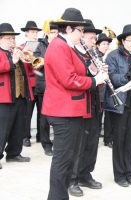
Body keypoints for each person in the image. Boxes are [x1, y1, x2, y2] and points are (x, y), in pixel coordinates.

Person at [42, 8, 107, 200]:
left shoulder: (67, 46)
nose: (83, 34)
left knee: (67, 160)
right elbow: (69, 79)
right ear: (69, 29)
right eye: (81, 30)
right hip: (63, 111)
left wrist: (94, 72)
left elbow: (77, 72)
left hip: (71, 110)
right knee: (63, 162)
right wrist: (95, 81)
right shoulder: (59, 46)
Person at [104, 24, 131, 187]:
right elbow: (113, 79)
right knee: (119, 140)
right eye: (130, 40)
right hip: (119, 103)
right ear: (122, 41)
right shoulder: (113, 56)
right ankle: (119, 175)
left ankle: (129, 173)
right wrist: (129, 75)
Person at [68, 19, 103, 197]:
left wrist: (100, 71)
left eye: (94, 38)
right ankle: (72, 179)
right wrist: (94, 75)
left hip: (95, 103)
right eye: (90, 37)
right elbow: (75, 78)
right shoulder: (73, 52)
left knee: (92, 143)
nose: (93, 41)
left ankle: (85, 174)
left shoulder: (92, 54)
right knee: (78, 145)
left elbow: (95, 77)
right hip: (80, 105)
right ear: (82, 36)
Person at [0, 23, 33, 170]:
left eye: (13, 38)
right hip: (4, 97)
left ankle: (14, 153)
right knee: (2, 129)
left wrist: (29, 59)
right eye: (9, 38)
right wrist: (11, 62)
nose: (12, 41)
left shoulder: (16, 51)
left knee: (19, 127)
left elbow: (29, 69)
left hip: (20, 95)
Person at [33, 20, 58, 156]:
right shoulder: (40, 46)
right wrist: (46, 58)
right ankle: (46, 144)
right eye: (52, 32)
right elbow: (35, 64)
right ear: (47, 33)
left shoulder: (61, 45)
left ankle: (56, 142)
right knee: (44, 118)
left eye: (56, 32)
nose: (54, 35)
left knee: (58, 117)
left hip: (58, 87)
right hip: (44, 86)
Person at [20, 21, 42, 147]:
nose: (35, 34)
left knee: (42, 112)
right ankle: (26, 137)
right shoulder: (21, 47)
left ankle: (40, 135)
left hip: (40, 83)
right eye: (32, 32)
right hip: (29, 84)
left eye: (36, 32)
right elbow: (24, 66)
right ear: (26, 33)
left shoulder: (41, 46)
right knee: (27, 112)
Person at [96, 33, 113, 148]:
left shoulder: (110, 56)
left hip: (109, 90)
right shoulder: (95, 56)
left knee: (109, 117)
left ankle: (108, 139)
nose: (106, 46)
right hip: (99, 91)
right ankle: (95, 137)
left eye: (107, 44)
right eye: (103, 44)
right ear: (98, 45)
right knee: (97, 116)